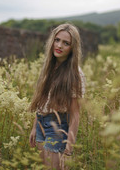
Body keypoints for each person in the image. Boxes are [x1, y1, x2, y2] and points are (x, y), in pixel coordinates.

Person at [29, 23, 85, 169]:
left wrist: (69, 147)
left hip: (57, 128)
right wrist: (35, 127)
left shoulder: (75, 75)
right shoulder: (48, 67)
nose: (59, 45)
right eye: (57, 40)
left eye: (66, 43)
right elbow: (42, 101)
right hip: (41, 124)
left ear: (72, 48)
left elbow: (75, 115)